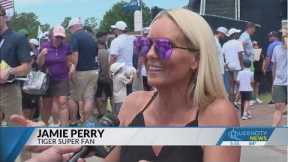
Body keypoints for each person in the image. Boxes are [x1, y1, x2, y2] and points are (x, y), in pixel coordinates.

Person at [11, 9, 240, 162]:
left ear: (196, 58)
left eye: (163, 46)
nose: (149, 54)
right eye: (145, 44)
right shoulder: (133, 104)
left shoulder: (217, 114)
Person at [0, 5, 31, 126]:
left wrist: (9, 71)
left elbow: (26, 67)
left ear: (4, 17)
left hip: (10, 90)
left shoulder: (18, 38)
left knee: (14, 127)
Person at [37, 25, 73, 126]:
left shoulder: (66, 47)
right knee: (47, 105)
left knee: (63, 102)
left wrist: (72, 67)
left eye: (61, 37)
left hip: (62, 77)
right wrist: (41, 55)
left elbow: (70, 61)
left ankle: (64, 128)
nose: (59, 39)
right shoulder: (45, 46)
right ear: (52, 36)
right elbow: (40, 64)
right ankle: (44, 126)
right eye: (57, 36)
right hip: (48, 78)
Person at [68, 17, 99, 123]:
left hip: (81, 71)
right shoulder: (91, 36)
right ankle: (87, 123)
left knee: (72, 97)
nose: (70, 31)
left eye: (70, 29)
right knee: (89, 97)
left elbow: (75, 55)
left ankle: (73, 121)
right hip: (94, 71)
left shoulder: (75, 37)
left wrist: (72, 69)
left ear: (73, 27)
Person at [109, 20, 136, 95]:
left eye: (115, 29)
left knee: (120, 95)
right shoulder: (132, 39)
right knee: (129, 93)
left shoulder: (116, 41)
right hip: (130, 69)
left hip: (120, 71)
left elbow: (113, 57)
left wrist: (110, 71)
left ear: (118, 30)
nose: (114, 31)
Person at [222, 28, 244, 102]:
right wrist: (242, 66)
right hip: (237, 66)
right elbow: (240, 55)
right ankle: (237, 100)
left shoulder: (225, 44)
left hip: (229, 66)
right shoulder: (238, 43)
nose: (238, 35)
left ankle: (232, 100)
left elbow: (223, 56)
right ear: (234, 35)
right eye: (237, 33)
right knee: (239, 83)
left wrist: (226, 64)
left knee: (231, 84)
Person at [271, 33, 287, 126]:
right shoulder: (276, 48)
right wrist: (274, 81)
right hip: (279, 82)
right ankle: (274, 130)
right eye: (284, 35)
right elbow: (274, 66)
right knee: (278, 107)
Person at [95, 32, 113, 117]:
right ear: (99, 38)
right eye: (104, 37)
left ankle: (103, 112)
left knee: (103, 94)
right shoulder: (100, 50)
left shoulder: (105, 48)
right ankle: (103, 112)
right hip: (102, 75)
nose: (106, 38)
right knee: (103, 94)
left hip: (103, 75)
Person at [262, 31, 282, 103]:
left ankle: (274, 99)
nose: (269, 38)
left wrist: (265, 68)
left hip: (272, 68)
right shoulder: (282, 44)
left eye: (270, 36)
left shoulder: (272, 45)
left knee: (273, 84)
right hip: (283, 69)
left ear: (275, 37)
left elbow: (268, 58)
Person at [214, 26, 228, 91]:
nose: (224, 37)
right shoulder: (214, 41)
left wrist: (224, 64)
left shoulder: (217, 42)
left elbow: (219, 56)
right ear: (221, 33)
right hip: (216, 69)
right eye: (224, 35)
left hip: (220, 69)